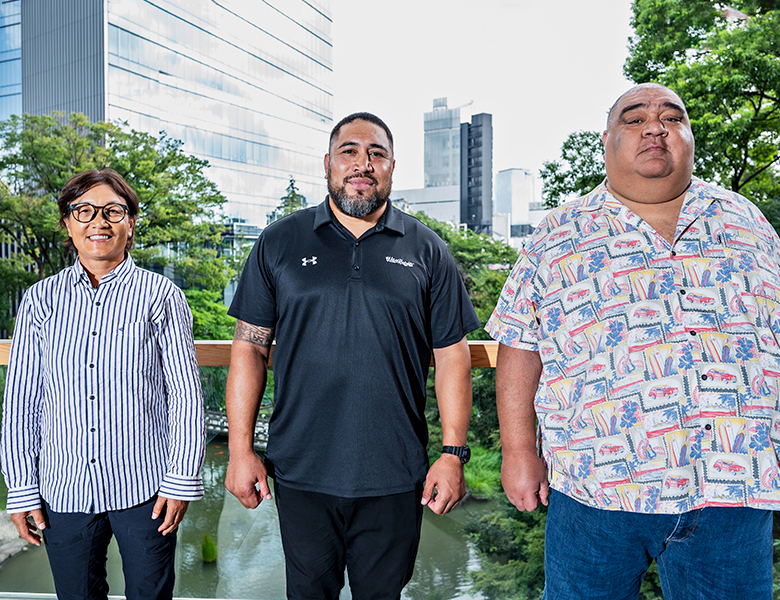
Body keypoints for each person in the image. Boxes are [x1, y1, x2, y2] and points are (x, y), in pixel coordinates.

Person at [487, 83, 780, 599]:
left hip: (732, 485)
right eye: (634, 118)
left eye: (672, 117)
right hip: (595, 486)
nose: (654, 127)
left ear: (689, 137)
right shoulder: (557, 234)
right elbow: (519, 343)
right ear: (607, 140)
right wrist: (516, 450)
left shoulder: (746, 221)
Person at [225, 112, 480, 599]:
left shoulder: (428, 250)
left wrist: (452, 454)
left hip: (396, 472)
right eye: (349, 151)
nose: (362, 163)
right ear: (327, 163)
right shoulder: (278, 242)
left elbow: (451, 355)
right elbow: (249, 349)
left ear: (390, 167)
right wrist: (240, 450)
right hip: (300, 469)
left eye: (376, 154)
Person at [0, 168, 206, 600]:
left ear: (131, 223)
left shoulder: (161, 296)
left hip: (146, 489)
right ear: (67, 223)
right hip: (64, 487)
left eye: (114, 210)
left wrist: (181, 479)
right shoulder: (40, 300)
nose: (99, 222)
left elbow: (184, 396)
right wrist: (21, 489)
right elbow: (22, 403)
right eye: (84, 211)